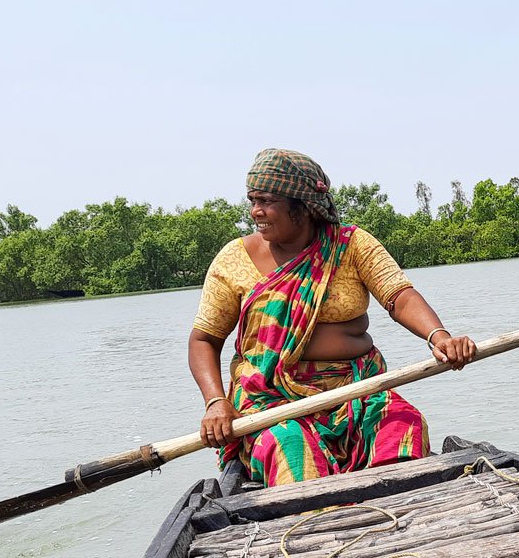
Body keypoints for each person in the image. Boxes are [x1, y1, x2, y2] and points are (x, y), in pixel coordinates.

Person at [188, 149, 475, 485]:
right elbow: (204, 339)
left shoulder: (351, 245)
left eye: (266, 201)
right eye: (252, 200)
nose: (256, 212)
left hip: (358, 390)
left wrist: (439, 337)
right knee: (291, 451)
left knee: (401, 422)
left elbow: (399, 296)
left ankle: (400, 511)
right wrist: (216, 402)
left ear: (302, 205)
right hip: (271, 403)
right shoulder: (234, 259)